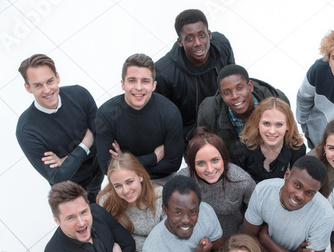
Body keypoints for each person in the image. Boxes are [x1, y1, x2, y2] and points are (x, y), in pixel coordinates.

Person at [16, 54, 103, 203]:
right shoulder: (26, 130)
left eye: (50, 81)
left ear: (57, 77)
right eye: (38, 85)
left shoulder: (80, 95)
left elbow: (102, 139)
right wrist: (86, 143)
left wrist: (67, 160)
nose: (47, 90)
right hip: (70, 190)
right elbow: (58, 177)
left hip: (98, 170)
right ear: (28, 87)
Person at [95, 53, 183, 181]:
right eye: (132, 80)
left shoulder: (170, 112)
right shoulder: (106, 114)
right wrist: (153, 158)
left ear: (153, 85)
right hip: (123, 180)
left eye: (145, 81)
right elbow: (107, 168)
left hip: (160, 178)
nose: (139, 87)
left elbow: (173, 164)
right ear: (122, 84)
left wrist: (124, 163)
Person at [155, 9, 235, 147]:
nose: (198, 43)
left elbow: (234, 78)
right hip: (192, 135)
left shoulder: (222, 45)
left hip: (226, 121)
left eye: (202, 35)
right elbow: (163, 117)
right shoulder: (163, 72)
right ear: (180, 41)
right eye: (190, 38)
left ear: (209, 35)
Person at [97, 153, 164, 252]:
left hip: (161, 250)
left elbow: (166, 236)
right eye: (118, 186)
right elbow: (114, 235)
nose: (125, 190)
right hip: (133, 251)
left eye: (129, 181)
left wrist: (133, 241)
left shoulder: (161, 196)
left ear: (140, 176)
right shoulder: (106, 202)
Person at [197, 64, 289, 157]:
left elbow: (289, 138)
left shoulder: (279, 103)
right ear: (221, 95)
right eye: (227, 92)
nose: (235, 96)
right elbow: (204, 150)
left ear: (250, 86)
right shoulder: (208, 114)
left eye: (239, 88)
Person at [178, 127, 255, 237]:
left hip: (231, 238)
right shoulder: (182, 180)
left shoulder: (241, 181)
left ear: (223, 158)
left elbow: (257, 214)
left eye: (215, 160)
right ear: (191, 164)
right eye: (201, 163)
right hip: (196, 238)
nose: (210, 169)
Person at [233, 97, 306, 183]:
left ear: (288, 126)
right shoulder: (242, 148)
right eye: (266, 123)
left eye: (279, 124)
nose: (272, 131)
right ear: (257, 123)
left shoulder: (297, 149)